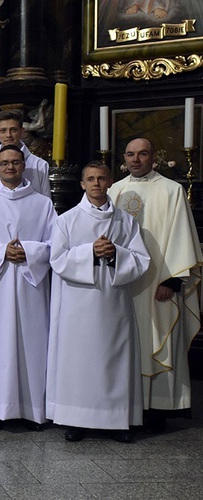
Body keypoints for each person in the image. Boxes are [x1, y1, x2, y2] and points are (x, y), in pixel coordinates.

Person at [48, 161, 150, 443]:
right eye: (90, 179)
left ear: (110, 182)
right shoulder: (66, 220)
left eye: (101, 179)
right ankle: (76, 420)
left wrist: (116, 253)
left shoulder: (125, 221)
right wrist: (90, 252)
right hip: (78, 303)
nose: (96, 184)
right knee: (79, 360)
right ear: (82, 184)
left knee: (113, 359)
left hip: (113, 302)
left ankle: (114, 420)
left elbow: (141, 259)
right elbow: (57, 259)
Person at [108, 138, 203, 433]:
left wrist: (172, 280)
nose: (136, 160)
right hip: (122, 284)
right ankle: (123, 404)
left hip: (156, 283)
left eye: (143, 154)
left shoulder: (171, 190)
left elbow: (181, 236)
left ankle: (158, 407)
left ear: (154, 158)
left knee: (157, 336)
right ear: (124, 158)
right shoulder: (114, 190)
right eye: (131, 154)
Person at [0, 144, 56, 431]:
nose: (10, 167)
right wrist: (0, 253)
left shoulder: (43, 203)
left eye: (15, 162)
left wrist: (29, 252)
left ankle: (33, 411)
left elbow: (54, 245)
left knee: (32, 344)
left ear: (23, 165)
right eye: (4, 163)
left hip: (31, 285)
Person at [0, 109, 51, 198]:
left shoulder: (39, 166)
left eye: (13, 130)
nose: (8, 135)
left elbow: (45, 203)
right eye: (3, 130)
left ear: (22, 131)